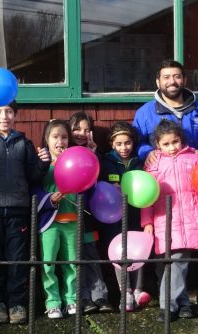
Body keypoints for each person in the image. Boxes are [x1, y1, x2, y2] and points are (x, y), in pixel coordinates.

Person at [0, 101, 51, 325]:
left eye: (8, 112)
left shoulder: (23, 142)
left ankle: (17, 303)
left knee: (18, 260)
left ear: (15, 115)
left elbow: (33, 176)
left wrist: (44, 163)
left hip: (18, 209)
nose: (4, 116)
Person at [141, 119, 198, 320]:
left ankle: (168, 306)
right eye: (166, 144)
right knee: (168, 264)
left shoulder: (194, 159)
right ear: (157, 145)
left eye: (175, 142)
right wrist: (147, 222)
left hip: (189, 217)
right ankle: (183, 303)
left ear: (181, 140)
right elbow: (146, 196)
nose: (172, 147)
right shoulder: (154, 164)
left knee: (179, 262)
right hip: (163, 220)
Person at [98, 122, 149, 312]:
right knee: (119, 252)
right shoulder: (106, 162)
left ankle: (138, 289)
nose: (123, 148)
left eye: (127, 143)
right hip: (114, 216)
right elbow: (99, 187)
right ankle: (125, 291)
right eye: (119, 144)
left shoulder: (139, 162)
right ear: (112, 144)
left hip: (136, 213)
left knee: (140, 250)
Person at [35, 119, 81, 319]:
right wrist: (49, 199)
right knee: (48, 263)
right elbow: (34, 187)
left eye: (64, 137)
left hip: (72, 221)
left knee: (72, 263)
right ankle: (52, 302)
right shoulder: (42, 165)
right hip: (49, 223)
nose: (60, 141)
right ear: (47, 140)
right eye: (55, 137)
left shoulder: (76, 162)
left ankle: (71, 299)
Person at [69, 112, 113, 314]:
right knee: (74, 257)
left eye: (87, 130)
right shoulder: (64, 153)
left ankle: (100, 295)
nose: (82, 133)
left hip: (89, 216)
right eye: (77, 128)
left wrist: (94, 156)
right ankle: (83, 297)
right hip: (66, 215)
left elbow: (99, 182)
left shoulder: (96, 155)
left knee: (91, 253)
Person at [132, 59, 198, 160]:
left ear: (185, 80)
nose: (172, 81)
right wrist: (147, 152)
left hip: (196, 169)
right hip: (160, 173)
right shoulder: (144, 113)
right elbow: (136, 141)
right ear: (158, 82)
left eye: (177, 77)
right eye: (166, 77)